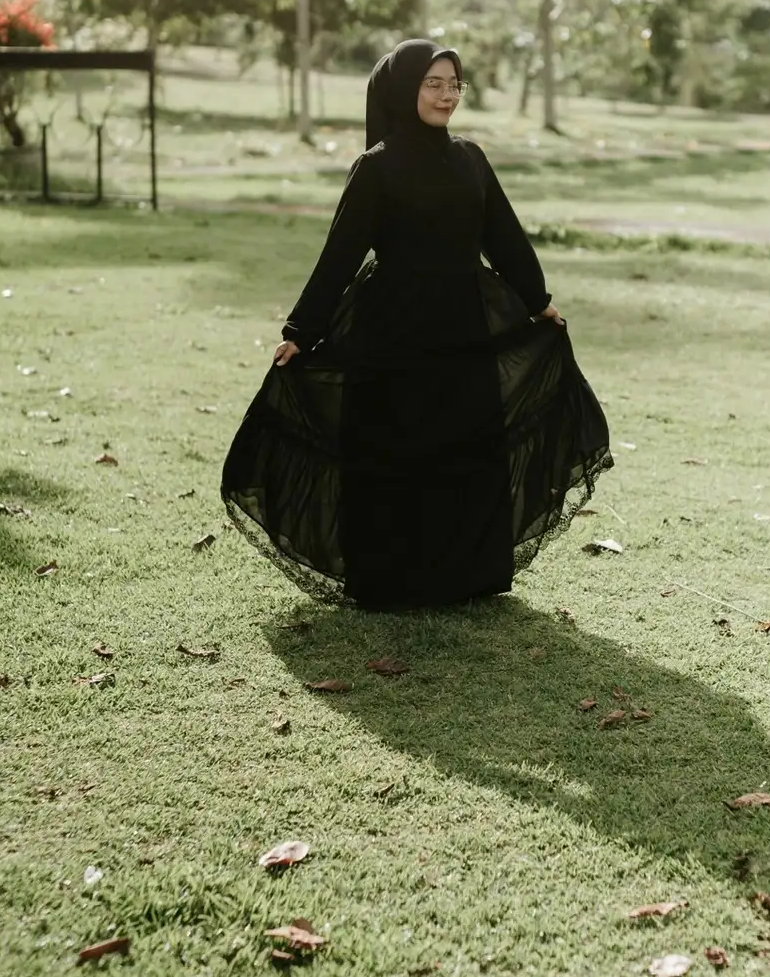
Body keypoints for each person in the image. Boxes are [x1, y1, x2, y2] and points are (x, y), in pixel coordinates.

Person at [222, 37, 613, 610]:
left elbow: (504, 235)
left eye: (454, 84)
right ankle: (392, 580)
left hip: (465, 325)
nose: (447, 95)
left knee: (467, 447)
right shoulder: (376, 167)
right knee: (396, 451)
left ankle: (468, 576)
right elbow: (341, 254)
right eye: (434, 84)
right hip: (392, 331)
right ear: (404, 90)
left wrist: (538, 301)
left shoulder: (471, 158)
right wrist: (301, 332)